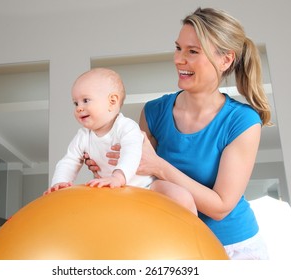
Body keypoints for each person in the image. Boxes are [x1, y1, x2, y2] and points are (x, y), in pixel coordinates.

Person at [85, 7, 271, 259]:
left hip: (234, 249)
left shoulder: (242, 121)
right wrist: (106, 167)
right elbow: (139, 181)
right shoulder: (154, 112)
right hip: (174, 242)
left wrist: (159, 166)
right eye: (178, 48)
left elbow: (220, 207)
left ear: (225, 60)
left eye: (192, 51)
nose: (178, 59)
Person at [45, 68, 197, 216]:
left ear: (112, 101)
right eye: (75, 103)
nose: (79, 108)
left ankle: (194, 233)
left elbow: (131, 153)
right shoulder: (83, 136)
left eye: (85, 100)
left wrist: (118, 177)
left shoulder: (126, 127)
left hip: (147, 186)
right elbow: (69, 160)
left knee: (181, 196)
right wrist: (59, 183)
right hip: (113, 191)